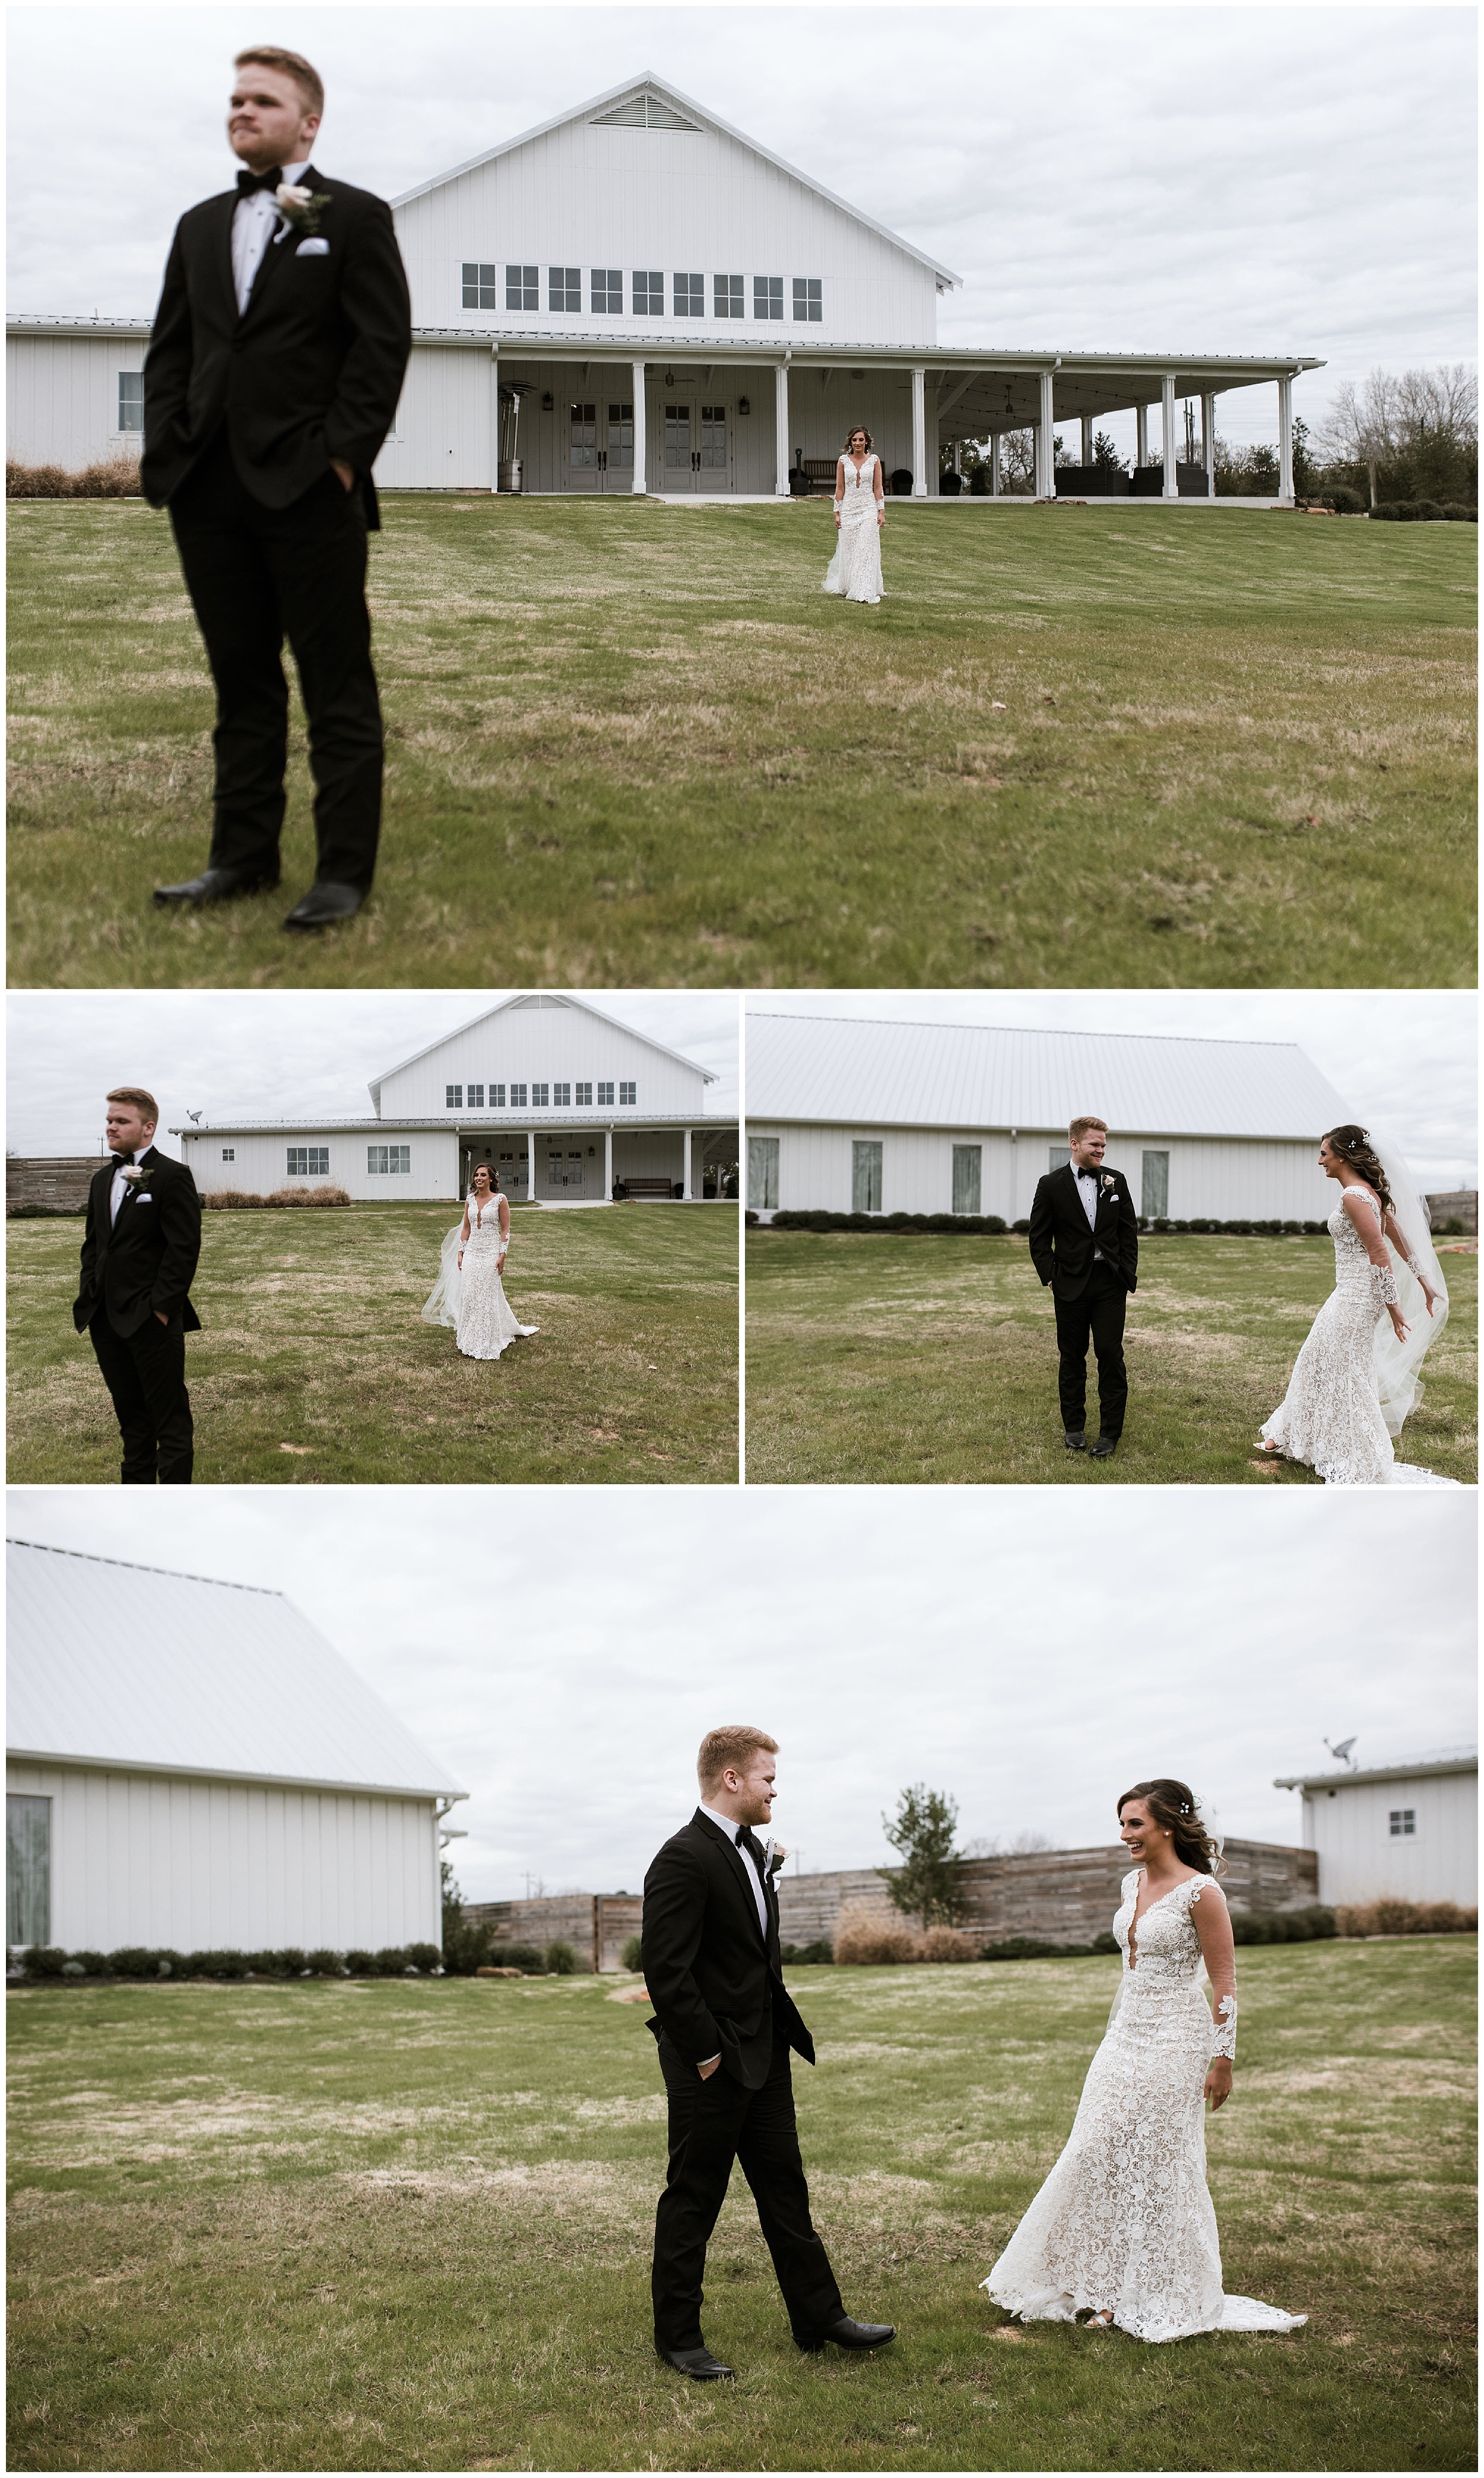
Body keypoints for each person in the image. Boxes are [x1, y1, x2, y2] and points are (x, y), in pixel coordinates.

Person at [144, 47, 412, 930]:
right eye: (235, 100)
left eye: (263, 100)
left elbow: (380, 349)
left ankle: (342, 875)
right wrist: (169, 453)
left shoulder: (356, 218)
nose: (242, 112)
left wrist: (341, 459)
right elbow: (173, 352)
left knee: (337, 685)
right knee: (242, 684)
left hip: (308, 487)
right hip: (208, 491)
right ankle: (241, 860)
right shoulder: (197, 224)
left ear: (309, 122)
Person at [981, 1779, 1307, 2343]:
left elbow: (1225, 1982)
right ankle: (1099, 2282)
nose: (1126, 1835)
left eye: (1135, 1824)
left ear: (1168, 1827)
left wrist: (1222, 2059)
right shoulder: (1131, 1883)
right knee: (1097, 2150)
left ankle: (1145, 2292)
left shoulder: (1202, 1893)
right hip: (1125, 2035)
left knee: (1156, 2163)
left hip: (1177, 2038)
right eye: (1122, 1824)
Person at [642, 1726, 896, 2380]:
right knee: (694, 2197)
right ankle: (677, 2336)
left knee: (786, 2191)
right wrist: (704, 2056)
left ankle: (819, 2316)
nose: (774, 1789)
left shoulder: (750, 1851)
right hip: (712, 2061)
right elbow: (666, 1972)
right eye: (767, 1778)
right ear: (731, 1779)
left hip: (766, 2051)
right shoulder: (681, 1857)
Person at [1257, 1124, 1457, 1486]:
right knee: (1320, 1359)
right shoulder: (1368, 1194)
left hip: (1359, 1297)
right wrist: (1426, 1283)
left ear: (1343, 1157)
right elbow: (1399, 1239)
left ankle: (1360, 1452)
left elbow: (1380, 1250)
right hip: (1350, 1292)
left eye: (1324, 1154)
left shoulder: (1355, 1196)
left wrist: (1394, 1306)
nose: (1320, 1161)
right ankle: (1288, 1435)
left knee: (1340, 1368)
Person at [72, 1088, 202, 1485]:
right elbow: (95, 1245)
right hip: (106, 1321)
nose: (112, 1127)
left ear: (148, 1128)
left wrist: (161, 1308)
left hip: (152, 1321)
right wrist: (90, 1293)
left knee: (169, 1423)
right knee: (132, 1423)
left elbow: (183, 1249)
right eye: (110, 1120)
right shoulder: (103, 1179)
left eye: (122, 1121)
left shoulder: (172, 1176)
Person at [1027, 1117, 1139, 1459]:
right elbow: (1039, 1237)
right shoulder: (1050, 1185)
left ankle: (1109, 1434)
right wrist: (1052, 1276)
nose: (1101, 1150)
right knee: (1072, 1357)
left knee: (1110, 1354)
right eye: (1095, 1144)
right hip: (1070, 1283)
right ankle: (1074, 1428)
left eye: (1104, 1145)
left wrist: (1126, 1273)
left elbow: (1128, 1232)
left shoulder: (1115, 1181)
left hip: (1109, 1283)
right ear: (1075, 1144)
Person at [420, 1166, 538, 1360]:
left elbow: (505, 1228)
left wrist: (502, 1255)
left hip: (491, 1253)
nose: (478, 1178)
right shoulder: (469, 1200)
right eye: (476, 1175)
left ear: (491, 1178)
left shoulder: (500, 1200)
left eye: (483, 1175)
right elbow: (466, 1228)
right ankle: (469, 1337)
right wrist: (461, 1251)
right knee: (470, 1294)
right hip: (472, 1253)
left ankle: (489, 1339)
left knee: (487, 1294)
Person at [822, 424, 886, 604]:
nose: (858, 443)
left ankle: (864, 590)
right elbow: (840, 487)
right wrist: (836, 512)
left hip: (868, 509)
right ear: (850, 442)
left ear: (867, 442)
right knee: (850, 551)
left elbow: (878, 487)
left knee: (865, 549)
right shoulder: (843, 461)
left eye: (861, 440)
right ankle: (851, 585)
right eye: (854, 440)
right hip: (849, 510)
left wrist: (881, 511)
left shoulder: (874, 461)